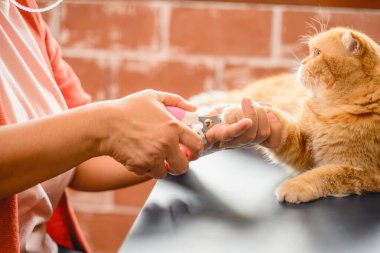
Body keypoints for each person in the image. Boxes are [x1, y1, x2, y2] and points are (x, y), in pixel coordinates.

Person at [0, 0, 282, 252]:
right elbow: (92, 134)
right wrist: (104, 124)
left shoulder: (23, 12)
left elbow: (82, 162)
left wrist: (199, 133)